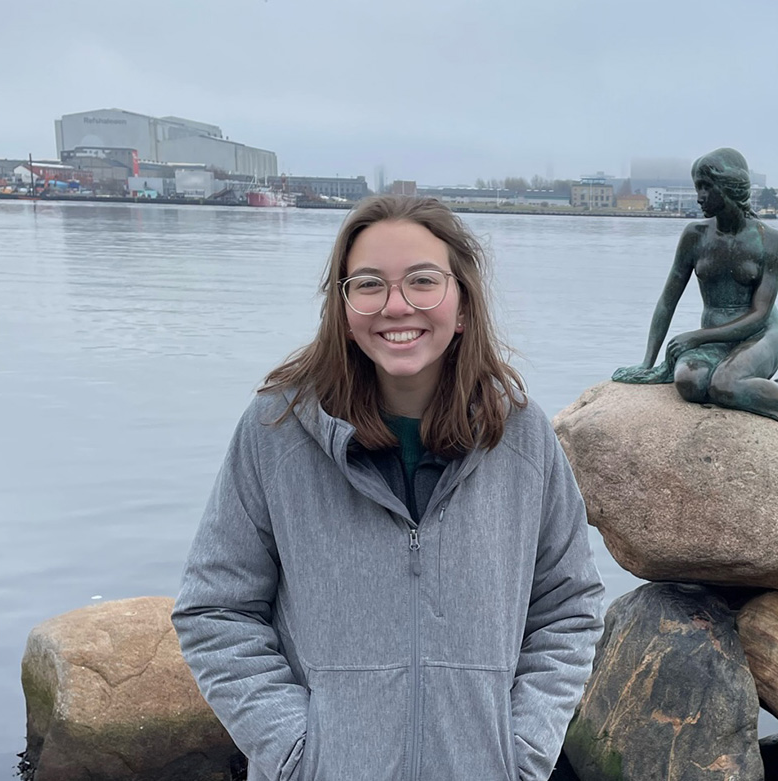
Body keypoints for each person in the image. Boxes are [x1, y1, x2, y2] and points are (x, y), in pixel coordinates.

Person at [172, 196, 605, 781]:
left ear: (463, 305)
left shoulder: (521, 436)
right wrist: (299, 755)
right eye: (369, 284)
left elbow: (568, 608)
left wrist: (521, 752)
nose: (396, 305)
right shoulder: (276, 431)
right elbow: (216, 610)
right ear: (343, 308)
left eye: (423, 281)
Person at [613, 147, 778, 464]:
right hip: (715, 338)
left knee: (726, 385)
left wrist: (695, 338)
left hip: (760, 335)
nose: (700, 196)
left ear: (730, 187)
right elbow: (668, 299)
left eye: (706, 187)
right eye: (698, 187)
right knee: (689, 382)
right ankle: (771, 390)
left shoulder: (770, 240)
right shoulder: (694, 236)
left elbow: (759, 314)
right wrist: (647, 362)